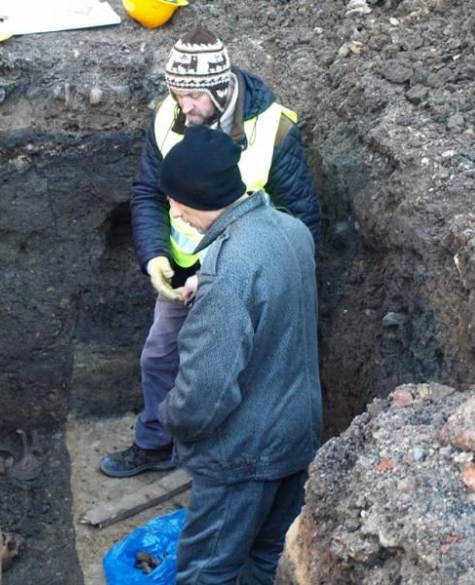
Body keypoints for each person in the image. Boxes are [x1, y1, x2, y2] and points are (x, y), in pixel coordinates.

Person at [100, 24, 320, 477]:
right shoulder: (168, 116)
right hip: (184, 275)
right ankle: (157, 445)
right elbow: (148, 191)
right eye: (178, 93)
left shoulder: (274, 130)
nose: (185, 106)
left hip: (243, 281)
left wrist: (236, 273)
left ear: (221, 88)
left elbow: (298, 221)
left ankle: (227, 455)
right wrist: (154, 255)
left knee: (232, 371)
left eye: (194, 96)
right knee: (160, 357)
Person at [160, 125, 322, 584]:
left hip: (242, 457)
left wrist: (171, 417)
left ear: (194, 197)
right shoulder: (291, 231)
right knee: (267, 558)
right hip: (298, 435)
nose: (173, 211)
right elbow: (269, 298)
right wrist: (213, 288)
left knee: (208, 571)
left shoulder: (228, 270)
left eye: (174, 201)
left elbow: (204, 394)